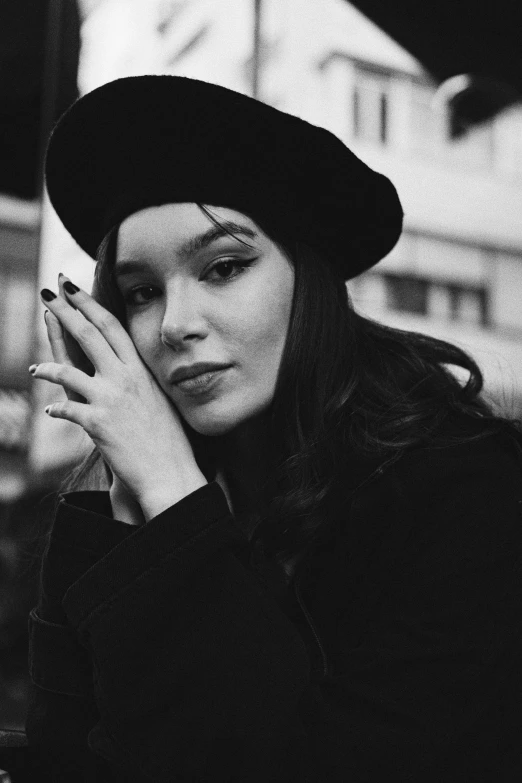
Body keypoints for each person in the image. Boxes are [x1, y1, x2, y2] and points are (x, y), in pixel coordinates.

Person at [24, 75, 522, 782]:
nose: (174, 324)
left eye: (224, 267)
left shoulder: (462, 488)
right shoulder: (155, 483)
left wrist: (174, 500)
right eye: (141, 293)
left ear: (305, 278)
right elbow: (61, 752)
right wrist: (131, 500)